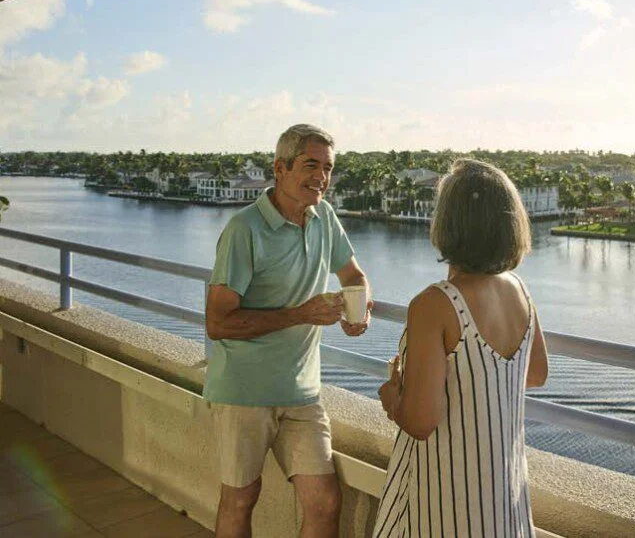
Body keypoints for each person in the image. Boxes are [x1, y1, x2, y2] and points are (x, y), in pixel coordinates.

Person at [204, 124, 372, 538]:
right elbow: (218, 322)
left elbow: (353, 275)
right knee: (241, 499)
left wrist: (358, 310)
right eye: (311, 165)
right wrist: (300, 314)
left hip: (302, 393)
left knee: (325, 502)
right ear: (280, 168)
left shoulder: (324, 217)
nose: (321, 176)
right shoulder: (244, 230)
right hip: (244, 391)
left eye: (328, 167)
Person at [373, 159, 549, 537]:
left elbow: (420, 422)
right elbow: (535, 374)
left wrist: (392, 395)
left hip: (449, 502)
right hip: (504, 498)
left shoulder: (435, 304)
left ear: (447, 224)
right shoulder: (519, 290)